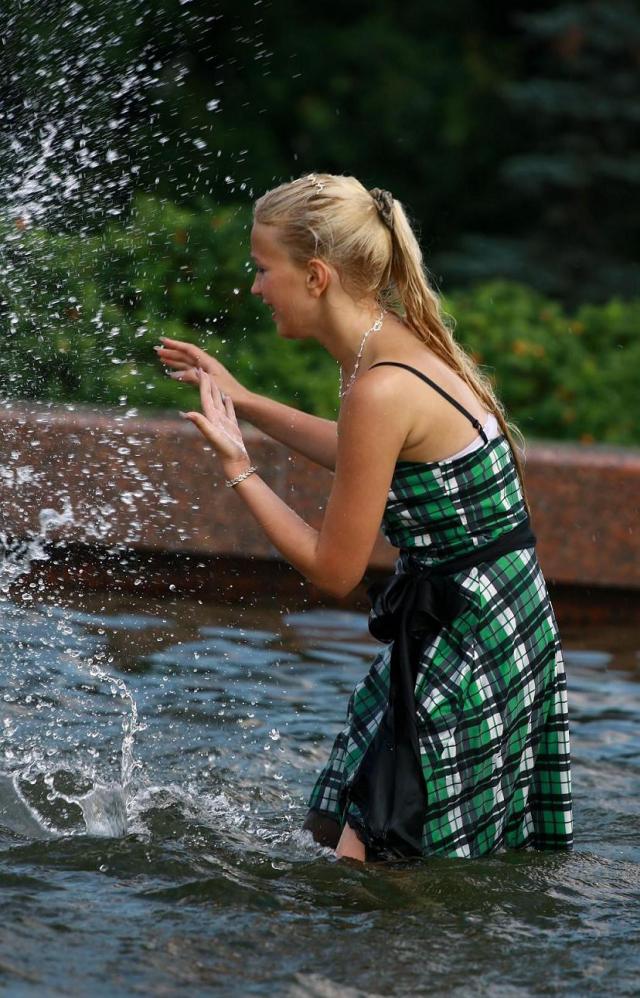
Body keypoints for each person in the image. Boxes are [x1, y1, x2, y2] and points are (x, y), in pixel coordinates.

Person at [155, 172, 573, 863]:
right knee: (339, 832)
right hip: (491, 620)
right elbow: (365, 456)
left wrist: (239, 469)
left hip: (471, 640)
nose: (256, 287)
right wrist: (247, 401)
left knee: (370, 859)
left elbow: (333, 569)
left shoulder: (381, 386)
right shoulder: (396, 344)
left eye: (264, 269)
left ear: (315, 275)